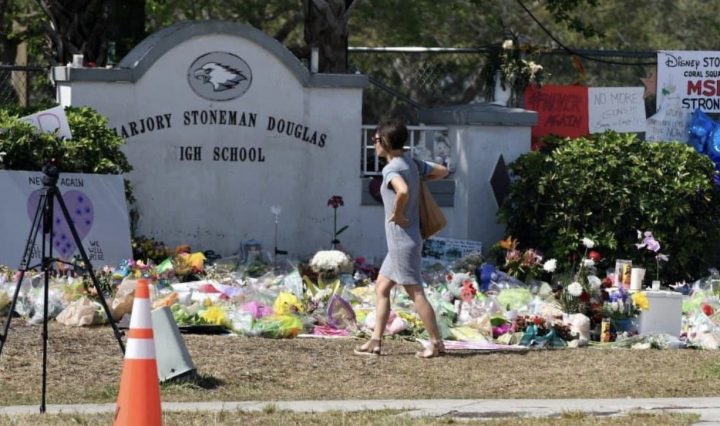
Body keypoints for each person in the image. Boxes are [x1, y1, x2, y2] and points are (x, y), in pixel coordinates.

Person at [354, 119, 449, 359]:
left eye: (376, 139)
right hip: (408, 239)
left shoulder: (391, 169)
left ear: (385, 141)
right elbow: (442, 171)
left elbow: (403, 190)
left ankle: (436, 343)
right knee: (381, 287)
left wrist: (397, 213)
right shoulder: (412, 163)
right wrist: (419, 181)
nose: (373, 143)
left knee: (415, 292)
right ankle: (376, 341)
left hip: (401, 242)